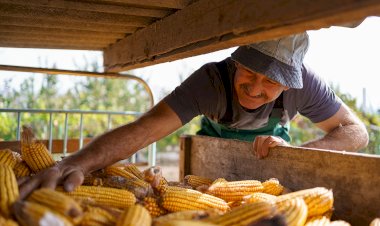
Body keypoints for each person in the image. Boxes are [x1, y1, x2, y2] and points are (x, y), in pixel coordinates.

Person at [18, 32, 368, 198]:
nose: (255, 87)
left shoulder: (305, 84)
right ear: (236, 61)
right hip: (210, 176)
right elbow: (145, 129)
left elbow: (356, 133)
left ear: (290, 83)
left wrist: (297, 154)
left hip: (271, 179)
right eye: (249, 71)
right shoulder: (209, 82)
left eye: (272, 81)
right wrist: (75, 163)